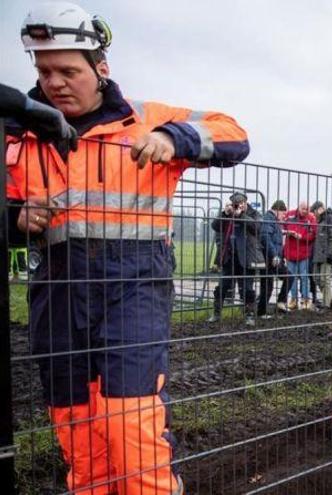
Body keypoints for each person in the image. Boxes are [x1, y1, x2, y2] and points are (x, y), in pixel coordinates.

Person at [7, 3, 249, 493]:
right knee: (75, 425)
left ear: (101, 69)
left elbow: (234, 134)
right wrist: (14, 220)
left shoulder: (145, 119)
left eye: (69, 71)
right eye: (45, 70)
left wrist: (173, 137)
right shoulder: (19, 132)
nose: (55, 82)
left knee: (130, 419)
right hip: (57, 289)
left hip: (134, 285)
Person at [209, 193, 264, 326]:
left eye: (241, 203)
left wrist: (241, 215)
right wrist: (224, 213)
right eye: (236, 203)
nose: (239, 205)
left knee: (247, 289)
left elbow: (257, 227)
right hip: (229, 256)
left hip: (246, 257)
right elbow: (215, 226)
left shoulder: (254, 214)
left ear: (245, 202)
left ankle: (249, 315)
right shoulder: (228, 214)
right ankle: (216, 313)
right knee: (222, 286)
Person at [257, 200, 291, 318]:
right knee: (267, 286)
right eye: (283, 214)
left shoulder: (272, 220)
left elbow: (274, 237)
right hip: (269, 259)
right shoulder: (269, 219)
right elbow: (265, 238)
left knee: (288, 276)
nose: (283, 217)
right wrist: (274, 255)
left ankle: (280, 302)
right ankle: (261, 312)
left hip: (274, 259)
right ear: (277, 210)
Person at [284, 201, 317, 310]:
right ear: (298, 207)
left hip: (303, 252)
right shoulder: (289, 215)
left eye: (307, 209)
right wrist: (287, 232)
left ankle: (306, 299)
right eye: (303, 209)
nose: (305, 211)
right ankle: (293, 299)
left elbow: (314, 234)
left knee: (304, 277)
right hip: (290, 252)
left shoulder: (311, 218)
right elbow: (281, 227)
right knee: (291, 277)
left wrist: (302, 237)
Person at [310, 200, 332, 310]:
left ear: (319, 209)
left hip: (326, 255)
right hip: (318, 255)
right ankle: (329, 300)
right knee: (317, 278)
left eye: (314, 212)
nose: (314, 215)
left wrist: (330, 254)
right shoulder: (321, 220)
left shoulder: (330, 218)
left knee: (324, 279)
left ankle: (327, 305)